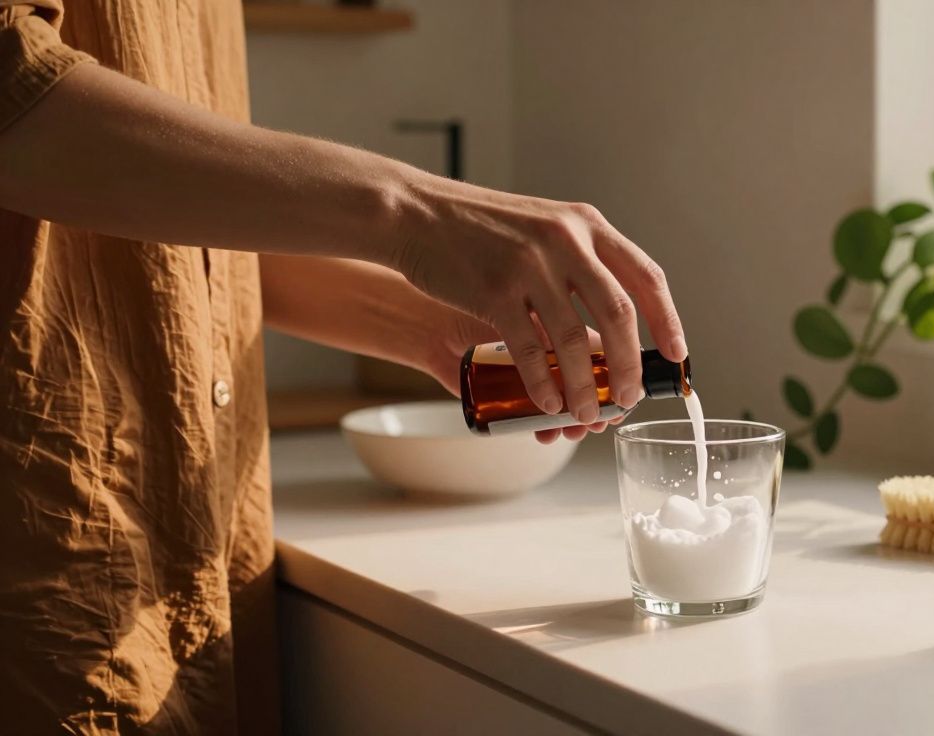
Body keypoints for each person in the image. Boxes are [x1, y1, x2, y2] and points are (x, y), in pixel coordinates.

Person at [0, 1, 686, 732]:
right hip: (48, 546)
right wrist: (415, 211)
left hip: (198, 539)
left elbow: (173, 216)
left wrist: (427, 327)